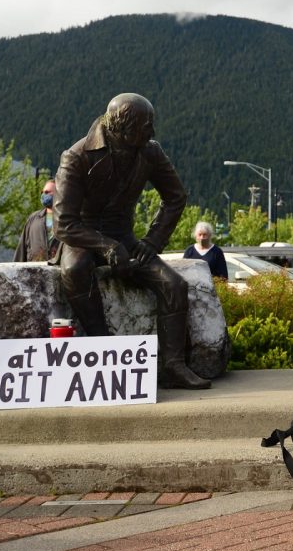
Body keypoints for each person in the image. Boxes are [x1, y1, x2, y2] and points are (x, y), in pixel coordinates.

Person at [55, 93, 209, 390]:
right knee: (74, 271)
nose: (152, 132)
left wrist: (152, 242)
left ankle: (174, 365)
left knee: (174, 284)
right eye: (145, 126)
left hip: (123, 236)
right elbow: (64, 223)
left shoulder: (150, 152)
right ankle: (102, 351)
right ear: (122, 128)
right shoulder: (77, 156)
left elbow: (176, 197)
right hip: (83, 238)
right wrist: (106, 246)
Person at [14, 179, 59, 262]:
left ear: (58, 194)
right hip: (34, 272)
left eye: (47, 192)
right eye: (42, 192)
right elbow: (21, 251)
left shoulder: (67, 220)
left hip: (58, 272)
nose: (43, 194)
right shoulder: (33, 219)